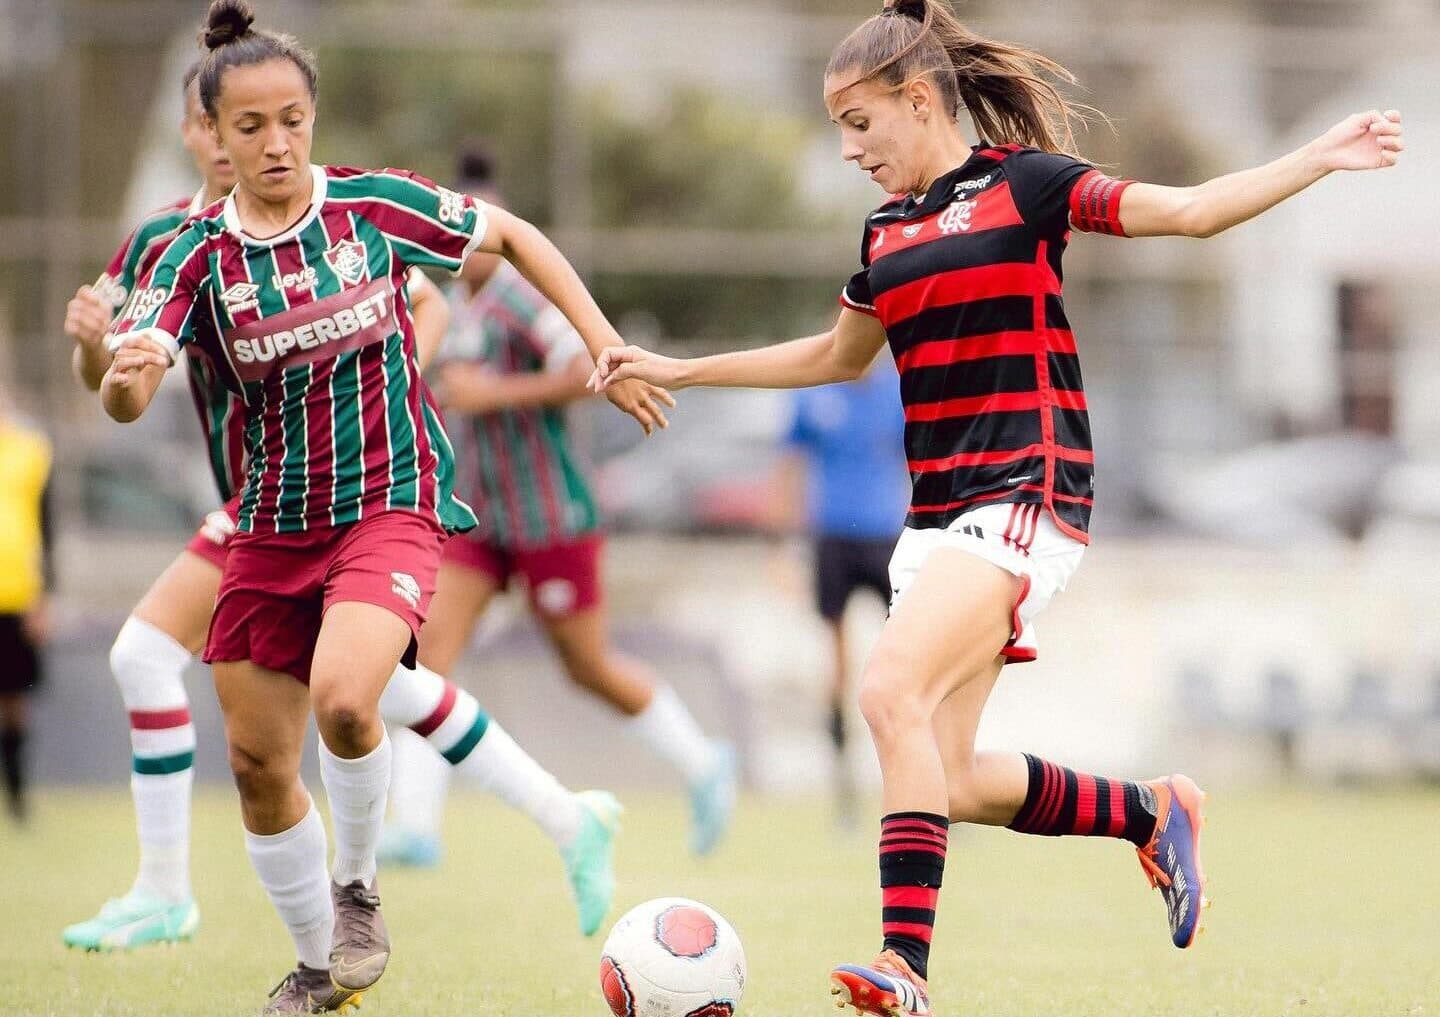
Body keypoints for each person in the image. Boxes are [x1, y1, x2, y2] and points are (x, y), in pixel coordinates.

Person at [589, 1, 1405, 1012]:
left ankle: (904, 968)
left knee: (888, 692)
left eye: (857, 122)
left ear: (917, 97)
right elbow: (834, 357)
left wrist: (1316, 157)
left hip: (1028, 490)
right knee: (953, 775)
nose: (848, 149)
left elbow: (1188, 212)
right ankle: (1152, 810)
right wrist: (685, 367)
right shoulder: (885, 232)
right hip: (933, 522)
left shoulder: (1026, 186)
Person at [100, 3, 670, 1012]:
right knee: (257, 763)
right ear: (217, 137)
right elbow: (126, 396)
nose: (275, 143)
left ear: (312, 119)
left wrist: (604, 346)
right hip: (270, 521)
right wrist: (123, 369)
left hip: (390, 504)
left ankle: (358, 889)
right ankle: (323, 967)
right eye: (250, 127)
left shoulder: (370, 209)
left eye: (292, 120)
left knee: (350, 698)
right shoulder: (193, 259)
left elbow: (515, 235)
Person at [378, 143, 736, 866]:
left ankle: (704, 762)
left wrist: (493, 393)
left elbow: (584, 370)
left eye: (483, 222)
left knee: (587, 665)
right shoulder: (451, 303)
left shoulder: (524, 296)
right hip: (482, 515)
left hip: (551, 515)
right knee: (424, 656)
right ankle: (416, 824)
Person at [772, 353, 908, 827]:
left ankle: (932, 789)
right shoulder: (816, 391)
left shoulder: (897, 390)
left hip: (888, 539)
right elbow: (789, 466)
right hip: (832, 539)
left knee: (914, 665)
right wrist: (784, 546)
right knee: (837, 664)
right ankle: (844, 791)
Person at [0, 391, 53, 825]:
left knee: (15, 701)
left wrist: (44, 597)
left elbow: (46, 526)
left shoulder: (31, 452)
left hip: (18, 595)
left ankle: (17, 795)